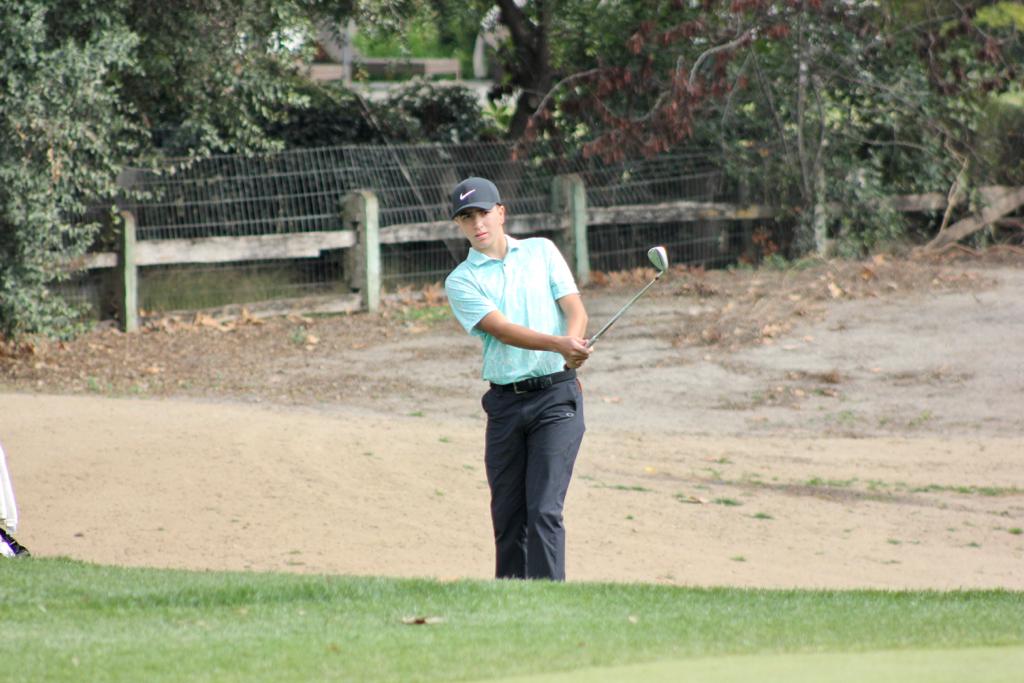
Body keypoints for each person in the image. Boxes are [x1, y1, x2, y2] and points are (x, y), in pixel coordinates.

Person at [444, 176, 591, 581]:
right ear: (458, 224)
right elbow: (503, 330)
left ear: (501, 213)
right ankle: (512, 603)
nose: (477, 224)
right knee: (508, 516)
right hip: (506, 405)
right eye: (467, 217)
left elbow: (574, 308)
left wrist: (573, 343)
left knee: (543, 509)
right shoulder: (462, 280)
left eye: (483, 213)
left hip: (556, 397)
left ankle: (548, 601)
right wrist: (559, 344)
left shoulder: (541, 251)